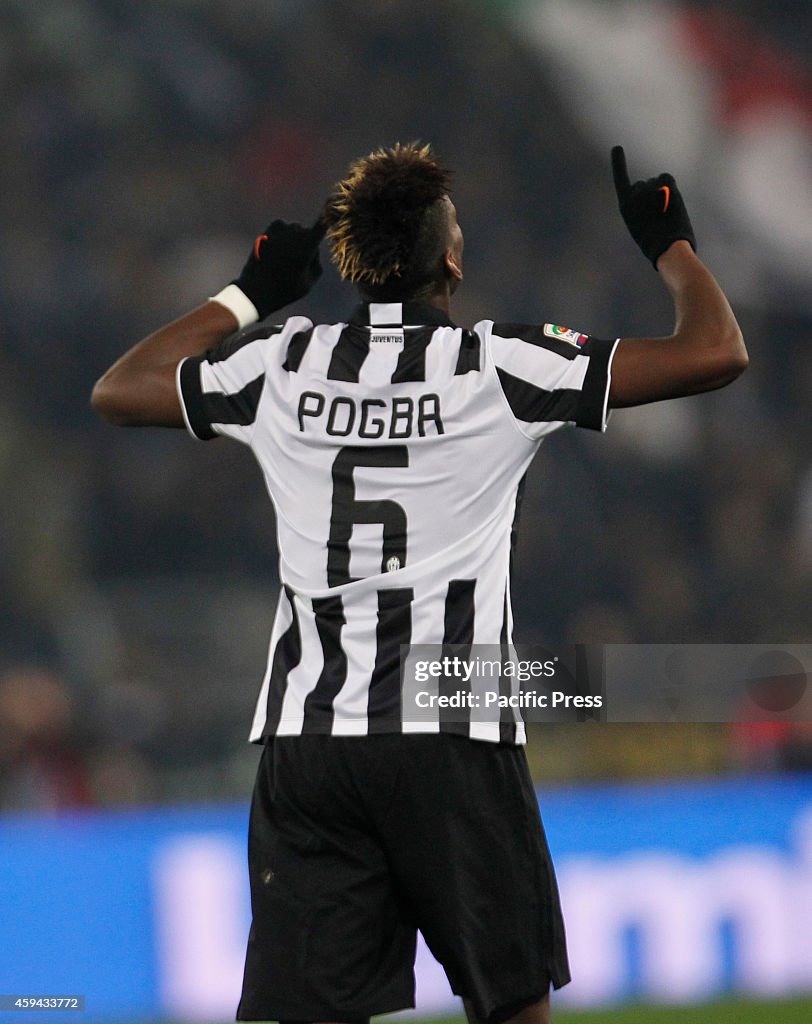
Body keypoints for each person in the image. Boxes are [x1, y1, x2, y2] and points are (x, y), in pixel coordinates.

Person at [91, 142, 747, 1024]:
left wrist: (245, 293)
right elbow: (715, 352)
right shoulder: (501, 363)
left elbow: (119, 390)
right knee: (510, 1004)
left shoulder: (282, 361)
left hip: (310, 738)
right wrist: (670, 243)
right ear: (452, 259)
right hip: (451, 730)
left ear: (353, 266)